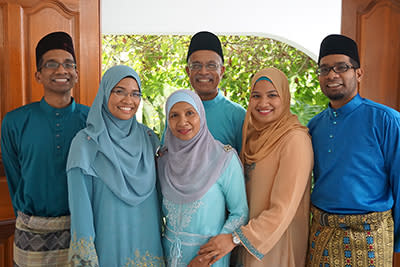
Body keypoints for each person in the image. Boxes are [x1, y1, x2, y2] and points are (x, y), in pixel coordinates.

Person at [198, 67, 313, 266]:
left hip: (275, 244)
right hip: (244, 242)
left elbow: (282, 209)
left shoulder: (294, 140)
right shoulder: (252, 136)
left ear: (285, 98)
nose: (263, 103)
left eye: (272, 95)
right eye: (256, 96)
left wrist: (235, 238)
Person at [306, 34, 400, 266]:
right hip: (323, 233)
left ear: (358, 73)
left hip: (370, 237)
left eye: (341, 67)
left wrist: (396, 242)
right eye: (325, 69)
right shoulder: (314, 126)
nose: (332, 75)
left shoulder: (386, 120)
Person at [1, 31, 88, 266]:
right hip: (32, 231)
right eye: (51, 64)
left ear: (76, 74)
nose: (61, 70)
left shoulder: (91, 121)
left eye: (68, 64)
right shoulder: (15, 121)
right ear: (38, 75)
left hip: (80, 230)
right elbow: (14, 175)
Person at [66, 65, 164, 266]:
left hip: (149, 245)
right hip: (106, 249)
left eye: (135, 94)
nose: (129, 100)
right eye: (119, 91)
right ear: (104, 92)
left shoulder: (149, 138)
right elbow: (81, 214)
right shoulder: (85, 144)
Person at [157, 89, 248, 266]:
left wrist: (206, 258)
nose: (182, 122)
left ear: (201, 115)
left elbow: (240, 213)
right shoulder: (163, 160)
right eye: (174, 115)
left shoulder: (224, 158)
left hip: (209, 259)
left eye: (190, 113)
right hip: (168, 258)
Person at [162, 31, 245, 153]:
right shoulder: (177, 111)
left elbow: (245, 163)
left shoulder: (237, 115)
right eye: (196, 66)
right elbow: (167, 153)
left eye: (211, 66)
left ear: (221, 71)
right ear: (188, 71)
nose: (203, 72)